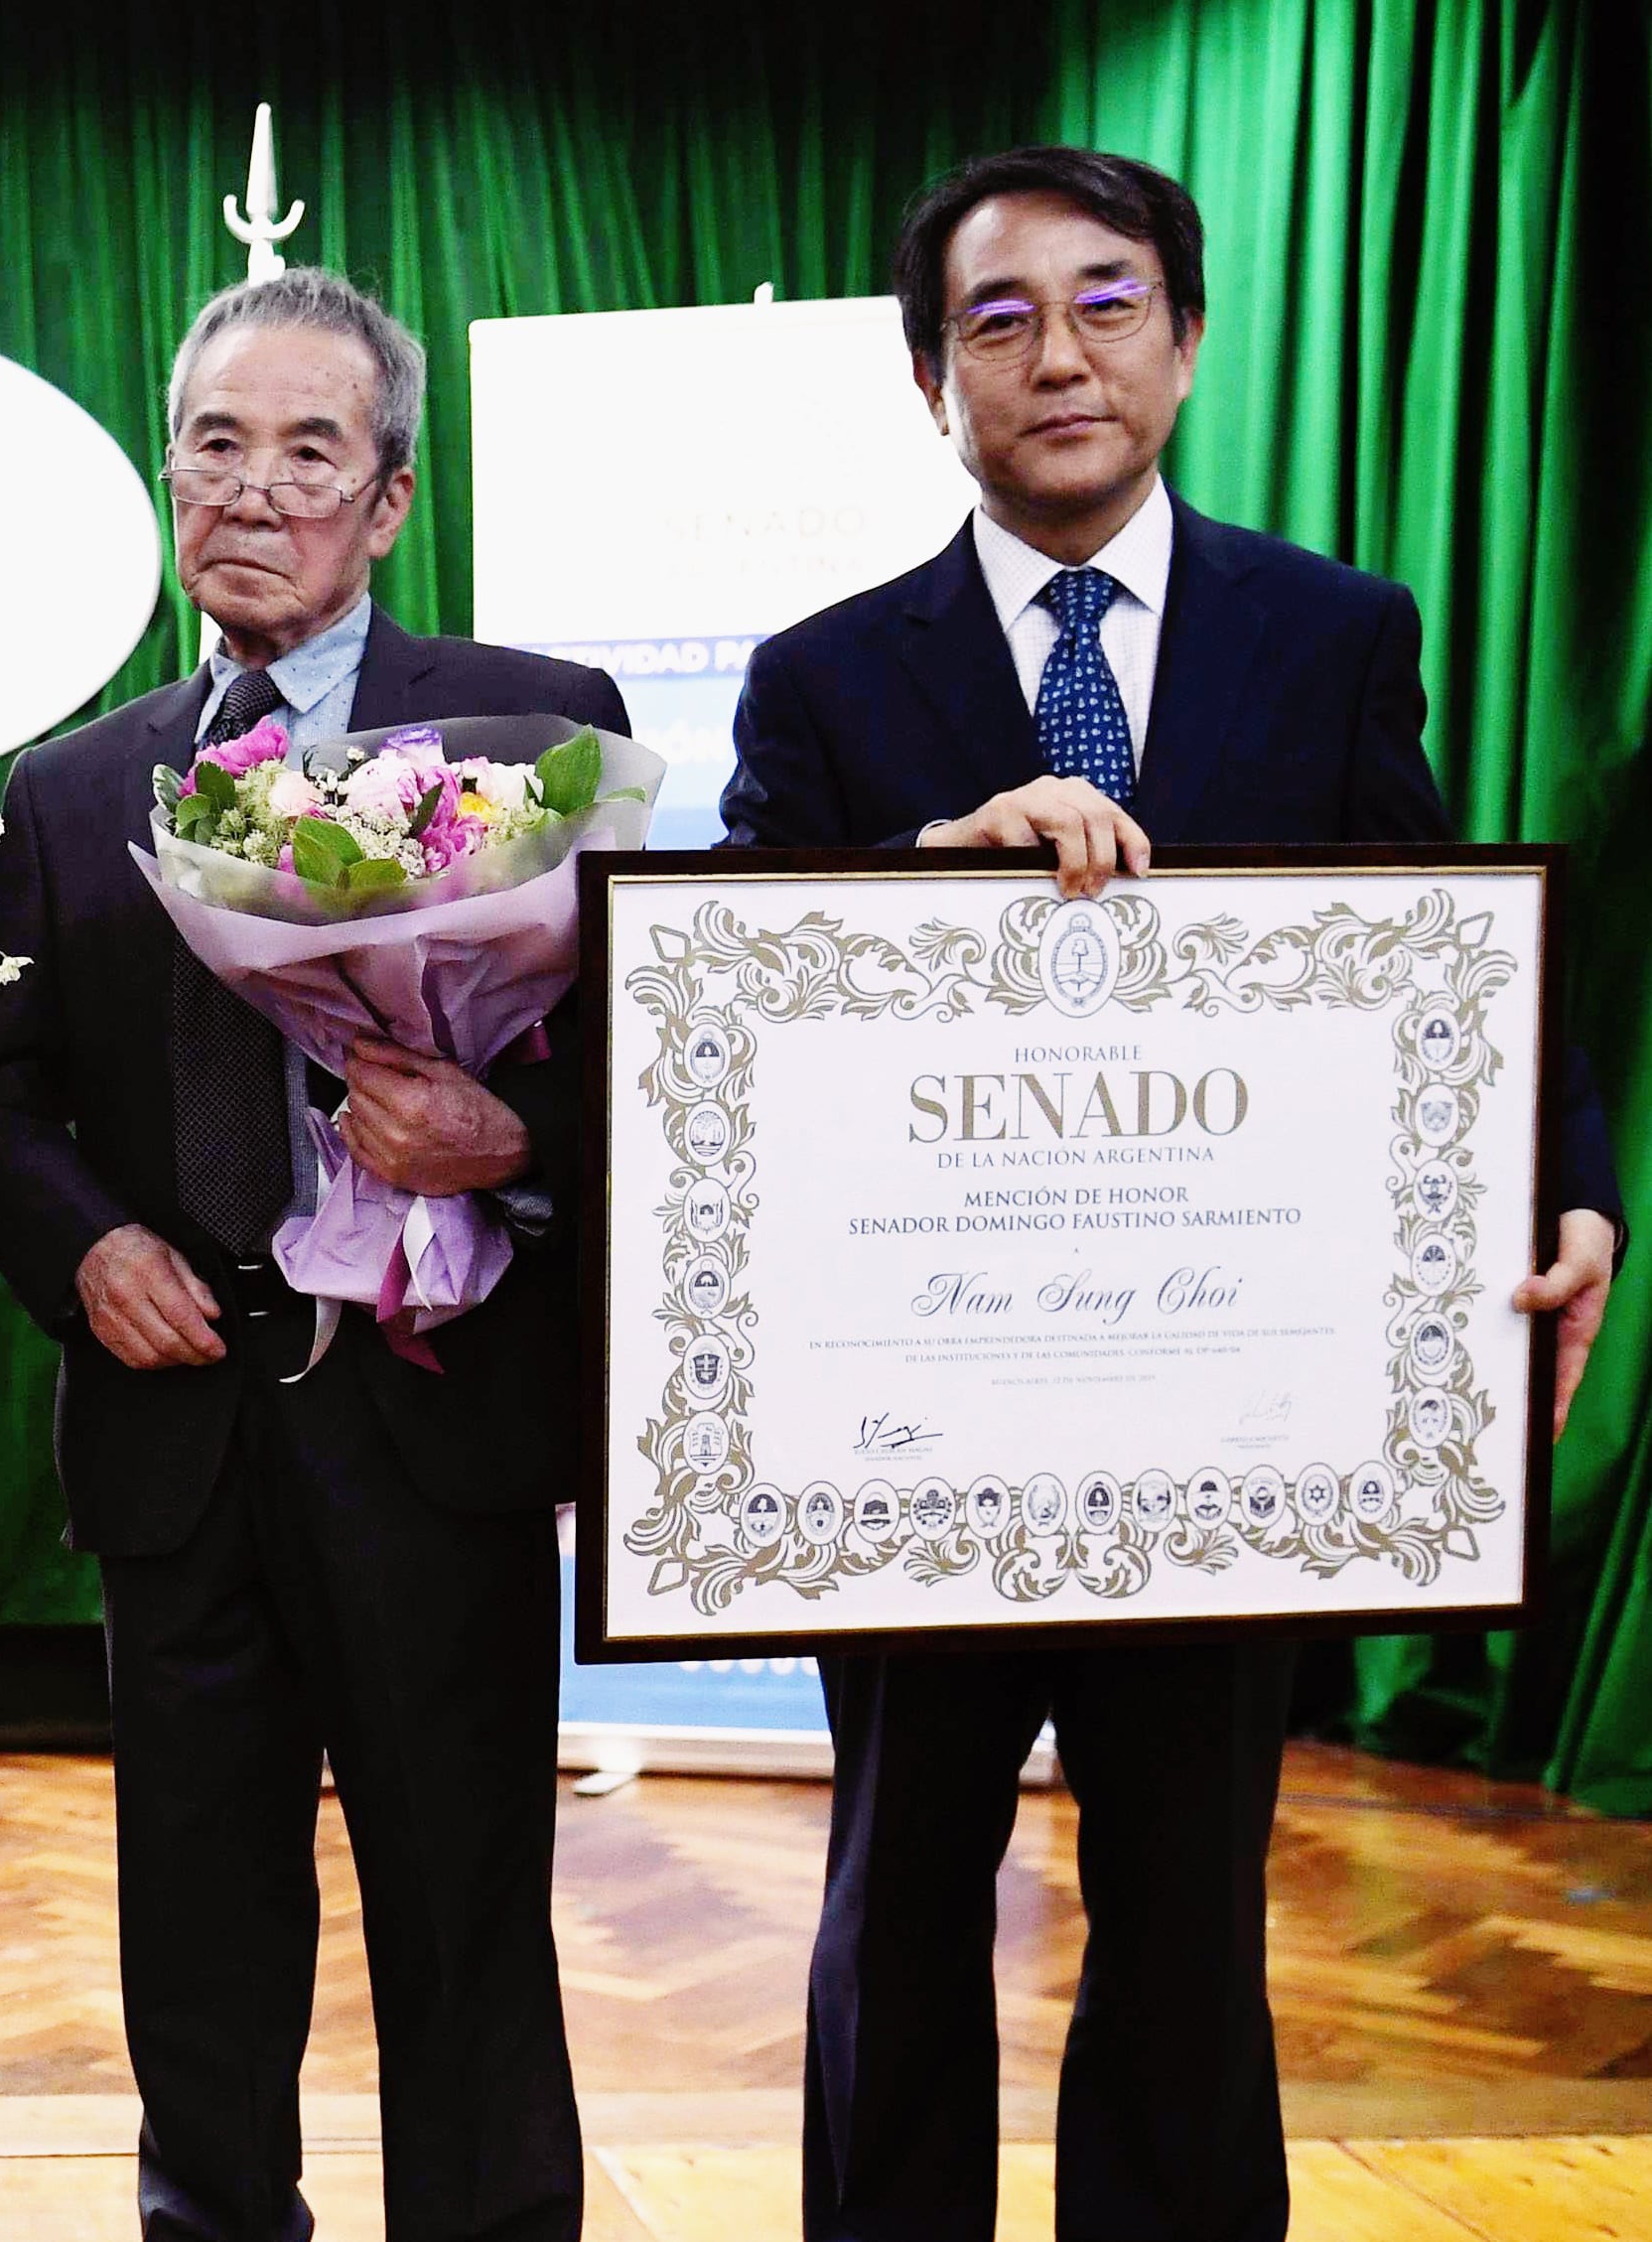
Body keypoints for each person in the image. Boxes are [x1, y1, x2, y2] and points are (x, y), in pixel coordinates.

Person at [720, 144, 1625, 2242]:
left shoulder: (1326, 636)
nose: (1056, 353)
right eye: (995, 316)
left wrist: (1563, 1183)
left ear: (1188, 340)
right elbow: (731, 1013)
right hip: (916, 1444)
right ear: (925, 375)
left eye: (1105, 300)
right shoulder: (826, 678)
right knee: (893, 1917)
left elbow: (1439, 954)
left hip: (1222, 1425)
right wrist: (911, 884)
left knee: (1190, 1934)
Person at [0, 267, 626, 2242]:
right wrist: (85, 1253)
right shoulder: (68, 790)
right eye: (211, 445)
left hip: (429, 1427)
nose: (246, 489)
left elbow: (654, 1063)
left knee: (463, 1908)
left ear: (388, 499)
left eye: (304, 450)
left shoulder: (528, 735)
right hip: (179, 1433)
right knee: (198, 1929)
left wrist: (512, 1139)